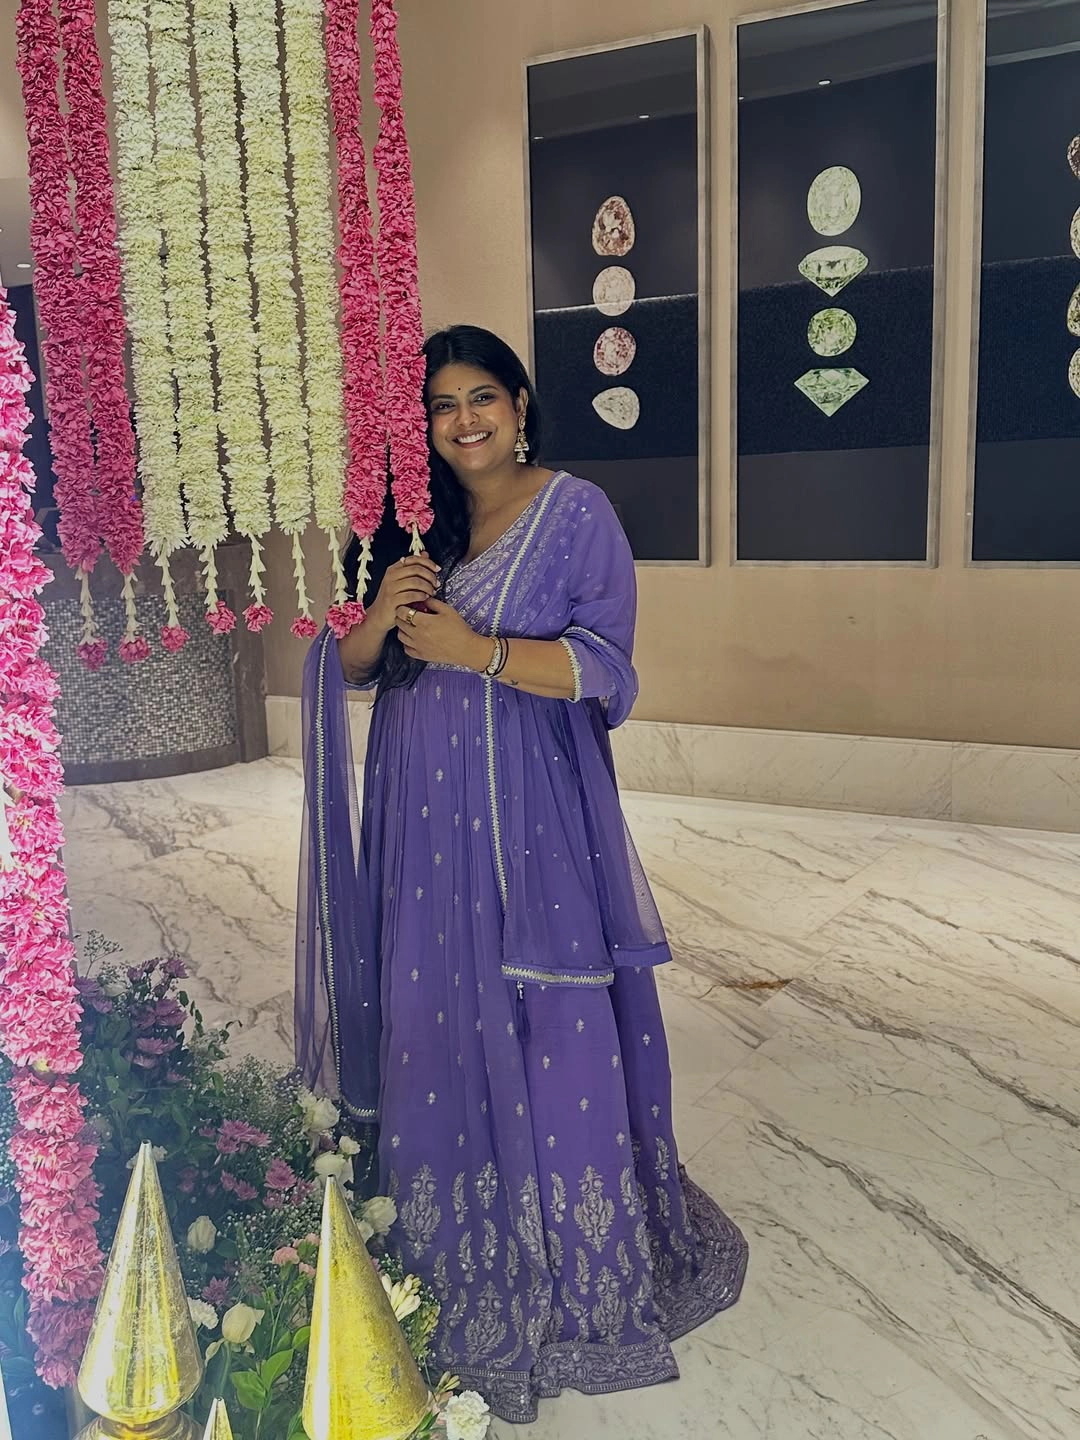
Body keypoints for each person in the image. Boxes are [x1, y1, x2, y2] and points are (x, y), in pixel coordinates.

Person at [296, 325, 747, 1423]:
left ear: (520, 404)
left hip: (529, 817)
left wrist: (480, 651)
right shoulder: (412, 529)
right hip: (418, 815)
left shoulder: (575, 511)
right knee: (432, 1010)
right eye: (442, 406)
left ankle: (572, 1252)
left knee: (545, 1015)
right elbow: (347, 668)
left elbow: (608, 667)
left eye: (481, 398)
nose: (464, 422)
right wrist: (377, 620)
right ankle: (441, 1236)